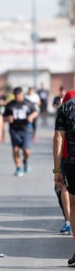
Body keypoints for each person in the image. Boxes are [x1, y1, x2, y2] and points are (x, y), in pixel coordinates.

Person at [53, 87, 75, 266]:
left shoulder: (66, 108)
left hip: (72, 162)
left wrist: (57, 170)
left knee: (74, 205)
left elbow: (58, 139)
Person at [3, 87, 38, 177]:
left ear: (22, 94)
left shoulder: (28, 103)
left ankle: (25, 161)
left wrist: (31, 117)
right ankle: (18, 168)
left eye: (19, 95)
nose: (18, 97)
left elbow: (36, 112)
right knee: (15, 149)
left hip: (26, 129)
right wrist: (8, 118)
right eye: (16, 95)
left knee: (26, 151)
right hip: (14, 130)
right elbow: (3, 117)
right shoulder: (10, 105)